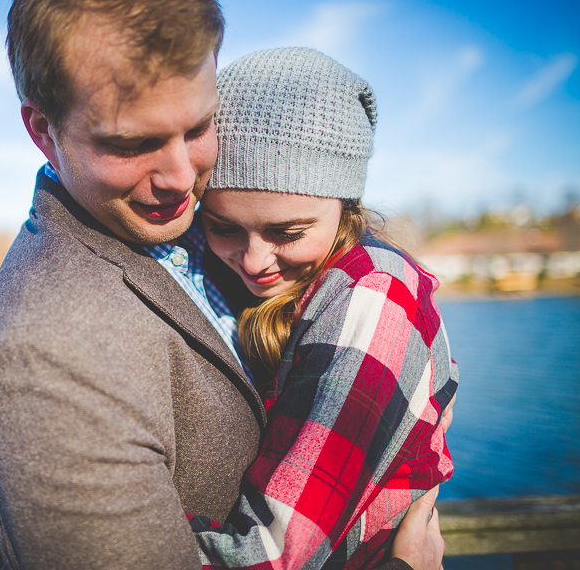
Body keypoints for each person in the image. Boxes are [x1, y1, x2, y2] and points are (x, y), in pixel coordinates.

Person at [0, 0, 447, 568]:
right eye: (132, 142)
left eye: (198, 128)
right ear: (43, 129)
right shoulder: (44, 354)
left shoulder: (191, 229)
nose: (181, 178)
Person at [187, 47, 459, 569]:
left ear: (346, 205)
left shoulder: (371, 299)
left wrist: (80, 538)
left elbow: (268, 558)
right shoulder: (290, 285)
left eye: (287, 232)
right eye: (223, 227)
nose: (253, 260)